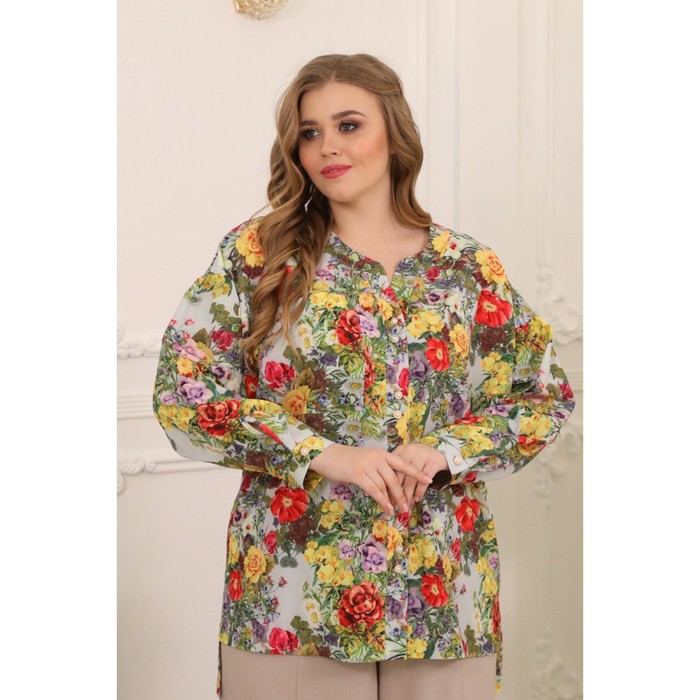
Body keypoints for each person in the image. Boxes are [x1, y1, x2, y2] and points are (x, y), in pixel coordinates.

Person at [152, 53, 575, 700]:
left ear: (394, 134)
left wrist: (448, 450)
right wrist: (319, 452)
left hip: (442, 592)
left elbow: (543, 395)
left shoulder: (466, 267)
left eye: (348, 125)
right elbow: (186, 395)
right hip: (292, 594)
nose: (327, 146)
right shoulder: (259, 255)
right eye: (310, 132)